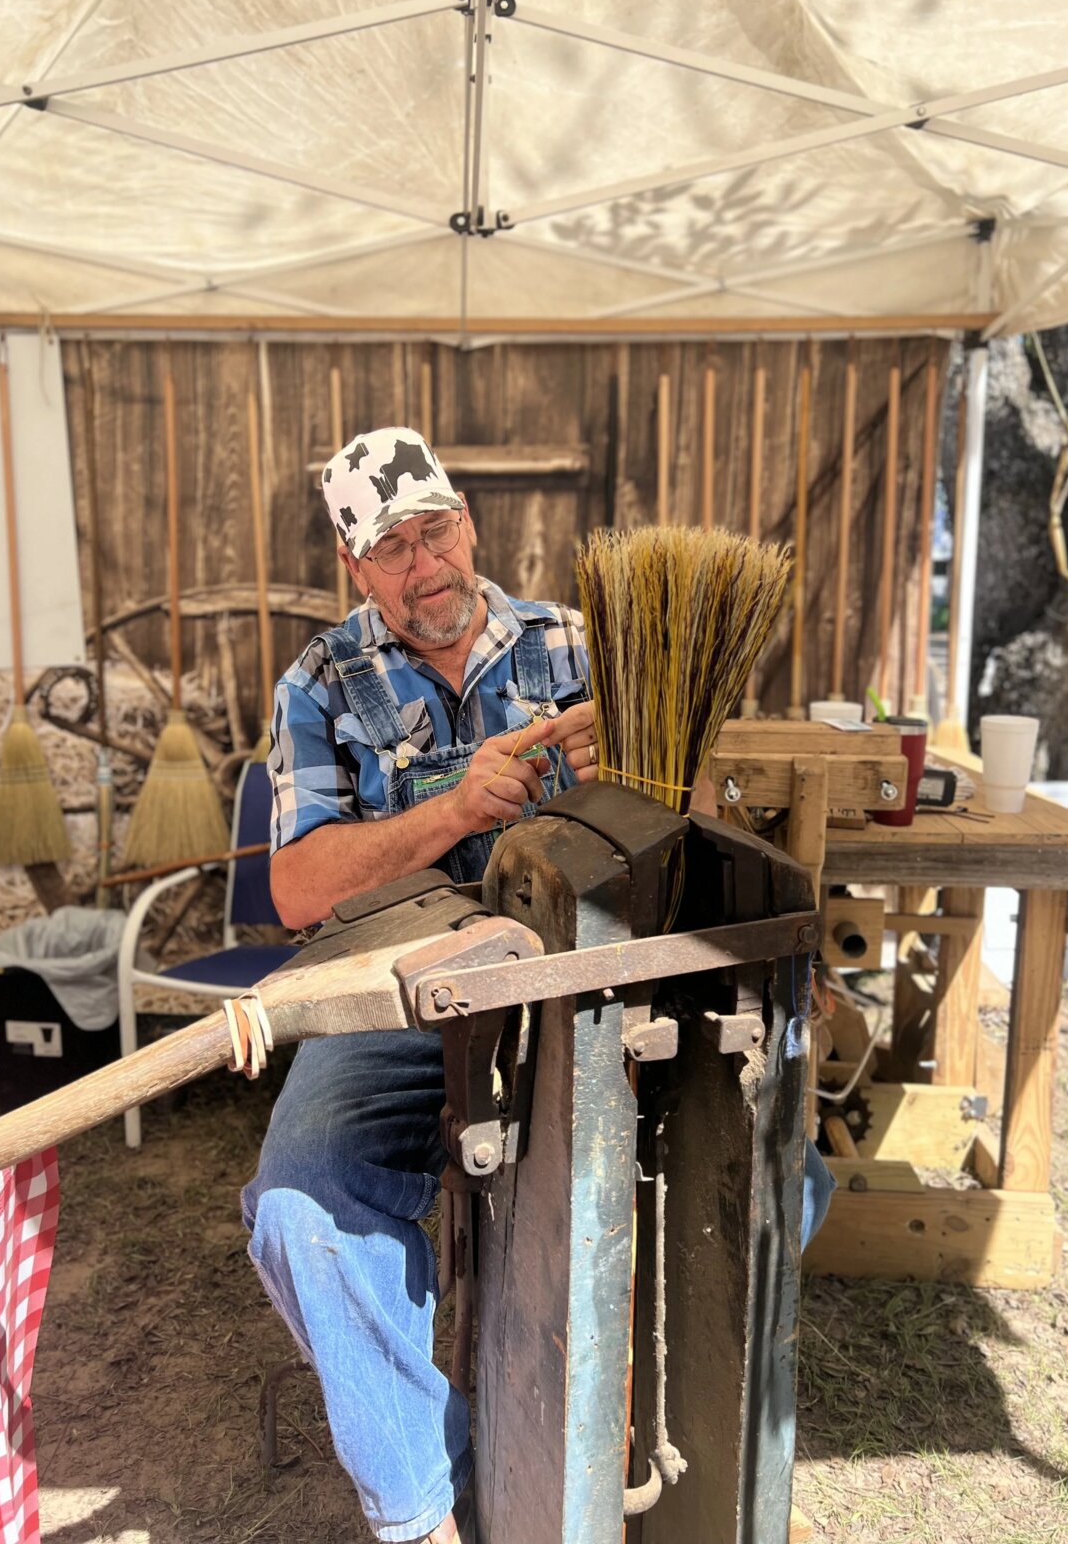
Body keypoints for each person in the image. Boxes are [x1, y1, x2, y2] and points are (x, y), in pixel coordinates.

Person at [242, 427, 833, 1544]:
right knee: (300, 1208)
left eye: (435, 533)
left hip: (590, 971)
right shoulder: (320, 681)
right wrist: (450, 813)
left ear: (468, 523)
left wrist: (663, 774)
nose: (425, 567)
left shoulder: (576, 639)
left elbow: (697, 814)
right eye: (392, 551)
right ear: (353, 565)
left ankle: (658, 1411)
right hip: (408, 990)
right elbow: (298, 886)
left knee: (777, 1167)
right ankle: (428, 1496)